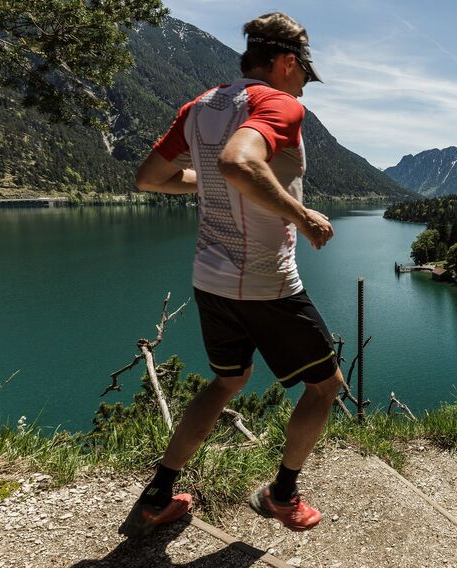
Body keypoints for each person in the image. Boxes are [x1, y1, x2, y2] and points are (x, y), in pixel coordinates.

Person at [120, 11, 343, 537]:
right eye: (305, 76)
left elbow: (151, 178)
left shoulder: (202, 105)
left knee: (227, 380)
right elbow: (240, 163)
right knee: (325, 387)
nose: (305, 90)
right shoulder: (277, 102)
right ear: (287, 64)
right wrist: (302, 215)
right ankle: (281, 495)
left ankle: (158, 494)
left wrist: (216, 187)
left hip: (211, 279)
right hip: (266, 282)